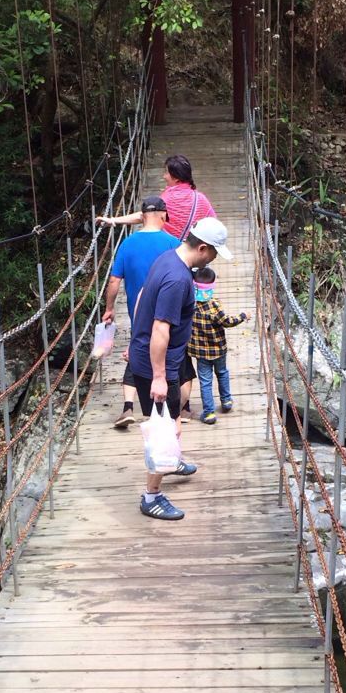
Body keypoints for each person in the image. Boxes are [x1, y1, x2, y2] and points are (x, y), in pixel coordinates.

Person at [128, 217, 233, 520]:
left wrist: (136, 336)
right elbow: (161, 329)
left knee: (169, 421)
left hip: (147, 355)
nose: (214, 259)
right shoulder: (179, 279)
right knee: (165, 428)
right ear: (202, 248)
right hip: (158, 365)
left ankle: (172, 461)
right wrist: (159, 377)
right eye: (214, 253)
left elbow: (140, 297)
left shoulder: (168, 258)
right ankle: (152, 496)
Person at [101, 196, 179, 429]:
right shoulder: (173, 243)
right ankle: (171, 412)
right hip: (168, 312)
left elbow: (114, 280)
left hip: (140, 315)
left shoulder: (127, 244)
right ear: (164, 215)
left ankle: (130, 406)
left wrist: (109, 308)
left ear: (142, 216)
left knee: (140, 352)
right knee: (169, 356)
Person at [99, 154, 217, 241]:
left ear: (176, 178)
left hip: (171, 251)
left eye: (166, 172)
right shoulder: (200, 198)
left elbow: (145, 216)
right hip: (195, 251)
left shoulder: (168, 198)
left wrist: (114, 220)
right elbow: (213, 222)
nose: (164, 176)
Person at [187, 266, 248, 424]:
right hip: (219, 349)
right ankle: (226, 401)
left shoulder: (189, 304)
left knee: (205, 381)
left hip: (200, 352)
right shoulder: (214, 305)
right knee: (222, 373)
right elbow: (227, 322)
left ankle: (209, 413)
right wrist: (242, 316)